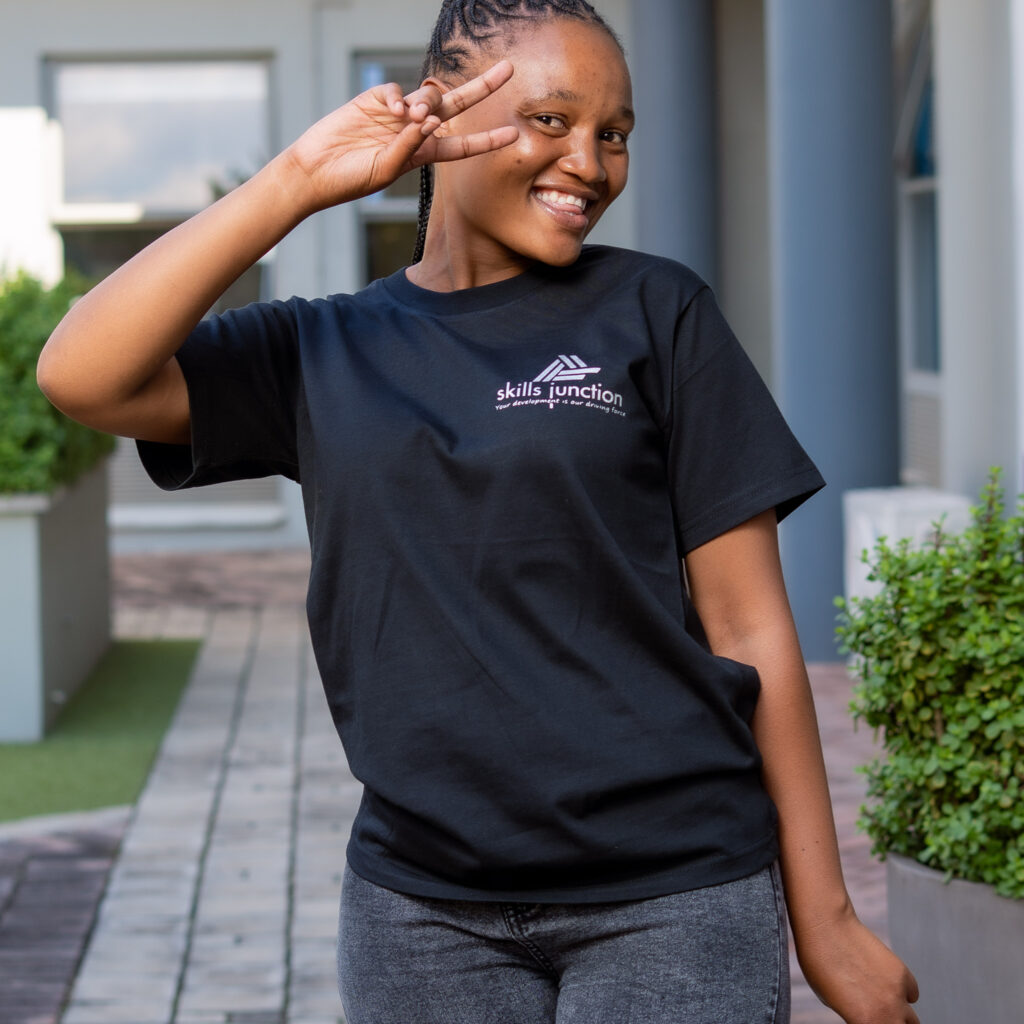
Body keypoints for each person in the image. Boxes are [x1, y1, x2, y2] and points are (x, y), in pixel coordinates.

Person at [37, 1, 920, 1021]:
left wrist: (826, 919)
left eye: (615, 134)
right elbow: (80, 374)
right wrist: (298, 182)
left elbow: (749, 626)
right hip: (421, 911)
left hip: (673, 894)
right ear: (443, 113)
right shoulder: (322, 350)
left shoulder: (656, 311)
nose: (589, 163)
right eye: (552, 120)